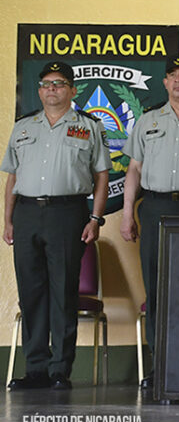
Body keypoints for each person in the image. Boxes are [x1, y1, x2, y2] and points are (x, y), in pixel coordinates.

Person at [2, 61, 111, 390]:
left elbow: (102, 175)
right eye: (46, 83)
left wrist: (95, 218)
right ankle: (35, 368)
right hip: (26, 213)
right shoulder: (23, 128)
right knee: (31, 293)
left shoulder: (89, 127)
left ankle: (59, 369)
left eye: (60, 83)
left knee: (63, 291)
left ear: (73, 90)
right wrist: (7, 219)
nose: (52, 89)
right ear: (39, 90)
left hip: (68, 214)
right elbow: (12, 177)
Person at [120, 54, 179, 389]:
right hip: (153, 209)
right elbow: (134, 170)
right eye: (172, 75)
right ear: (165, 82)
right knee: (156, 288)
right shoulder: (148, 121)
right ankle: (160, 365)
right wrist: (127, 214)